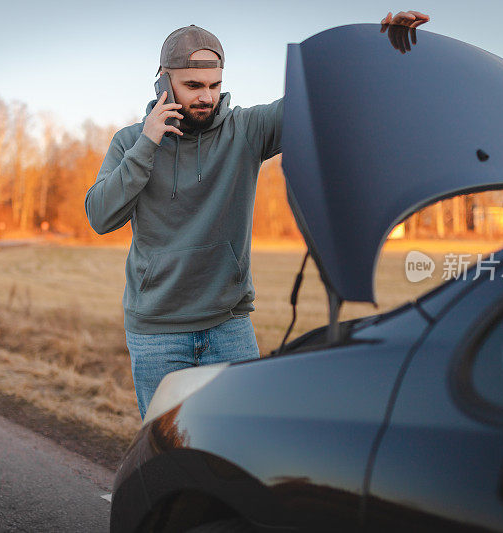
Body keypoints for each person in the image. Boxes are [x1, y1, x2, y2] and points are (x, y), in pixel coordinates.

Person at [85, 11, 430, 419]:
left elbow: (318, 99)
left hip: (228, 326)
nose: (206, 97)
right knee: (167, 456)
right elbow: (100, 216)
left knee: (239, 454)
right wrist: (147, 145)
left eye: (214, 85)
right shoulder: (130, 141)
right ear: (164, 81)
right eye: (193, 85)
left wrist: (374, 49)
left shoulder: (245, 129)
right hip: (157, 332)